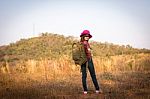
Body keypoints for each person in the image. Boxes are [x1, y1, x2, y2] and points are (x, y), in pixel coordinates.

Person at [80, 30, 102, 94]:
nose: (87, 37)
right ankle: (97, 89)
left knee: (84, 76)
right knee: (93, 75)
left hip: (83, 61)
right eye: (86, 36)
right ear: (83, 36)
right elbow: (87, 53)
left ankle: (85, 91)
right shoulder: (85, 43)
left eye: (88, 36)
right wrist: (90, 54)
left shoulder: (81, 43)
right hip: (88, 61)